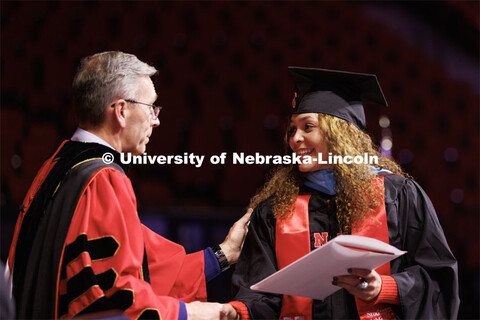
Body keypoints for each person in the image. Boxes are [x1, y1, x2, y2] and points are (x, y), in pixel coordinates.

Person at [7, 51, 250, 320]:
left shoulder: (55, 165)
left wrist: (224, 253)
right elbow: (117, 294)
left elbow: (148, 263)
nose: (156, 120)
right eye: (151, 107)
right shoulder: (103, 179)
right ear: (121, 111)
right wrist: (189, 313)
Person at [227, 67, 460, 319]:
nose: (295, 139)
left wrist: (385, 287)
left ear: (341, 134)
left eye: (308, 127)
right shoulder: (276, 209)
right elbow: (258, 293)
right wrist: (237, 312)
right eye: (292, 129)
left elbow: (437, 276)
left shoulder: (397, 195)